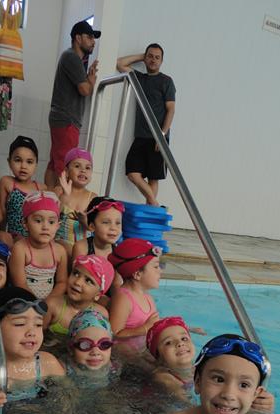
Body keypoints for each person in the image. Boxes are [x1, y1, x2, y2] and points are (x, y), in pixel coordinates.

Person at [147, 317, 275, 414]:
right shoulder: (164, 377)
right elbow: (189, 407)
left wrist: (257, 404)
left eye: (184, 338)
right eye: (168, 342)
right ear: (158, 357)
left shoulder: (201, 368)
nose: (180, 343)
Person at [117, 44, 175, 206]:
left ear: (161, 61)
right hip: (141, 136)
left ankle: (150, 209)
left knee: (153, 177)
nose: (153, 60)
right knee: (132, 172)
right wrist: (141, 56)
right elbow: (120, 64)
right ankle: (155, 205)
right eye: (150, 56)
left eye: (157, 57)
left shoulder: (166, 81)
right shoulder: (139, 78)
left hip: (158, 136)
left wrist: (162, 135)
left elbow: (171, 109)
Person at [45, 21, 101, 188]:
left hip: (62, 118)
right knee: (64, 165)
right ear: (78, 38)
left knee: (55, 162)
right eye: (89, 37)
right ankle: (59, 200)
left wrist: (87, 79)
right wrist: (91, 81)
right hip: (67, 119)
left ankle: (49, 196)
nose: (93, 42)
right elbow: (85, 90)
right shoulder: (72, 57)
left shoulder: (71, 57)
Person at [9, 191, 68, 299]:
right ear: (25, 224)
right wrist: (36, 304)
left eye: (51, 222)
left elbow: (62, 282)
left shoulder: (60, 251)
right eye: (38, 221)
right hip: (24, 300)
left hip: (50, 302)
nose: (45, 227)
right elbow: (20, 284)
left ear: (58, 226)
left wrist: (49, 302)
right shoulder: (20, 249)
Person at [108, 238, 160, 347]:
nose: (160, 270)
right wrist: (144, 329)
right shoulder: (123, 298)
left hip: (142, 351)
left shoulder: (148, 298)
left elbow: (155, 325)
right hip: (125, 355)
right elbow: (114, 334)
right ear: (137, 274)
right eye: (156, 267)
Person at [44, 255, 113, 336]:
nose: (77, 282)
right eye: (76, 274)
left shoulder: (100, 314)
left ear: (98, 295)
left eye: (88, 281)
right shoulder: (52, 305)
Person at [0, 135, 46, 238]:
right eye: (18, 160)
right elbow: (2, 215)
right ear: (9, 162)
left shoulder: (42, 189)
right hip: (14, 239)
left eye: (29, 162)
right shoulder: (7, 182)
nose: (23, 166)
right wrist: (0, 239)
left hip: (35, 240)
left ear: (36, 165)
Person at [54, 147, 98, 249]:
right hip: (59, 246)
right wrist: (65, 196)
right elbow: (51, 217)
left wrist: (83, 220)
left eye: (88, 168)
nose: (83, 170)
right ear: (66, 171)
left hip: (82, 249)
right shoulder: (58, 191)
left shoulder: (92, 197)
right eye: (77, 166)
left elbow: (93, 228)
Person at [72, 196, 124, 263]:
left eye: (118, 223)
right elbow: (77, 270)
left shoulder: (119, 253)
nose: (113, 228)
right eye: (106, 222)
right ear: (92, 226)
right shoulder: (82, 248)